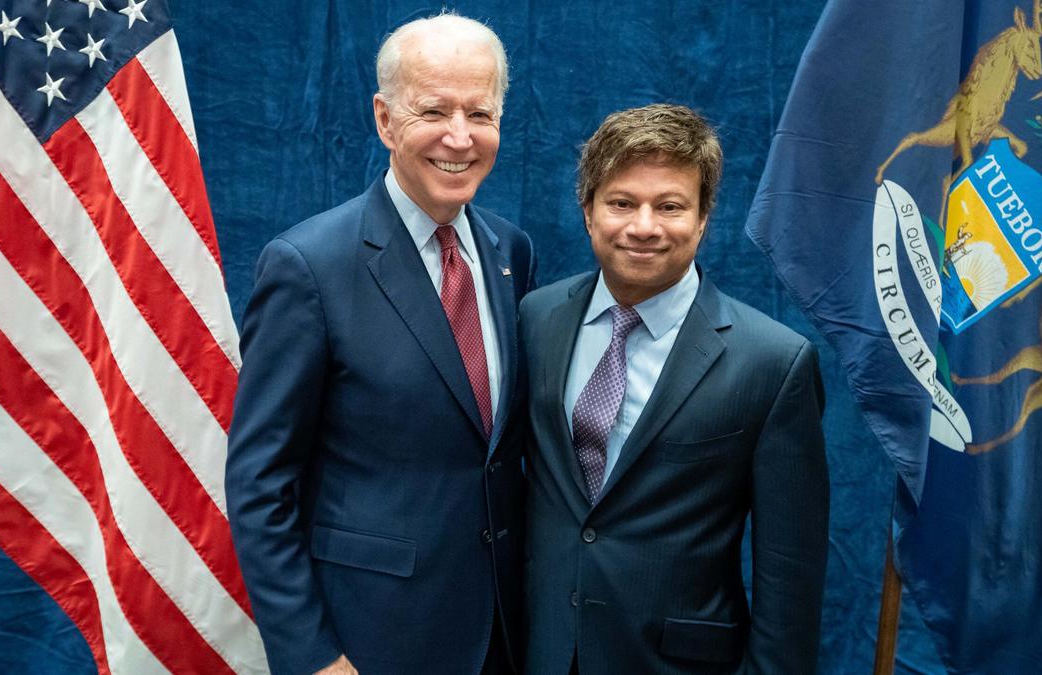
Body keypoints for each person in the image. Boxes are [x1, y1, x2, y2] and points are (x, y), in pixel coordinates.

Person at [225, 13, 535, 675]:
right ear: (384, 119)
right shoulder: (307, 266)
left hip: (503, 637)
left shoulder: (512, 252)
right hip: (371, 644)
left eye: (480, 113)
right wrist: (313, 656)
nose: (460, 136)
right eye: (434, 110)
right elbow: (259, 483)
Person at [520, 104, 829, 675]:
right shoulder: (535, 320)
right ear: (588, 212)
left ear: (704, 217)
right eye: (621, 203)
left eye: (670, 206)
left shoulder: (774, 363)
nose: (644, 226)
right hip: (538, 651)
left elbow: (790, 575)